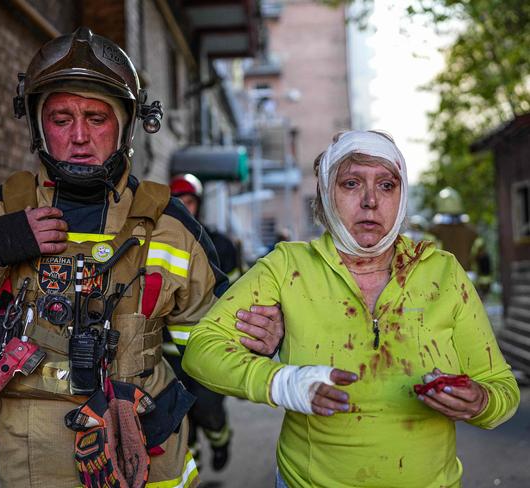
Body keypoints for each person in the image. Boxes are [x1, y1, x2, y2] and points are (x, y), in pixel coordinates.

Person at [0, 27, 284, 488]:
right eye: (60, 118)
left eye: (96, 118)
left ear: (125, 127)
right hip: (19, 466)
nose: (78, 137)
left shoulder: (171, 226)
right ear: (37, 125)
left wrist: (262, 337)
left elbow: (213, 350)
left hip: (145, 462)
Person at [183, 130, 520, 487]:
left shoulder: (443, 273)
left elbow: (502, 388)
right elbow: (201, 349)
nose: (371, 201)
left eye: (387, 185)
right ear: (327, 195)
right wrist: (283, 382)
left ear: (402, 196)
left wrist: (480, 402)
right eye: (351, 183)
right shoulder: (288, 267)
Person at [167, 173, 238, 471]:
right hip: (169, 352)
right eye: (178, 202)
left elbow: (236, 295)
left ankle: (220, 439)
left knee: (208, 410)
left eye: (190, 202)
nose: (185, 207)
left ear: (199, 204)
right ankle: (192, 463)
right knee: (179, 417)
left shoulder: (220, 245)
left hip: (209, 346)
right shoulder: (157, 244)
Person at [429, 187, 478, 270]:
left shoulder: (434, 231)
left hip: (442, 277)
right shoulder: (471, 231)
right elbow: (481, 256)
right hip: (467, 277)